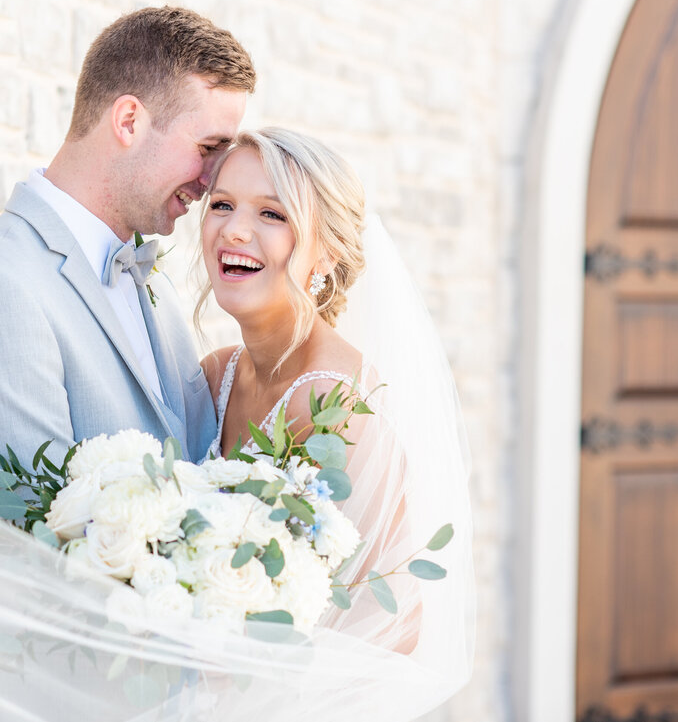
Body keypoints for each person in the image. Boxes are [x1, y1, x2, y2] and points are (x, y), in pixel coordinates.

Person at [0, 6, 256, 481]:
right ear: (128, 121)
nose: (210, 181)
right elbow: (30, 518)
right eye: (207, 149)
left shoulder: (146, 273)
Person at [197, 127, 475, 691]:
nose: (235, 229)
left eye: (272, 214)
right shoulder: (215, 374)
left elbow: (394, 620)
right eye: (222, 204)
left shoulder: (338, 404)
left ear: (326, 252)